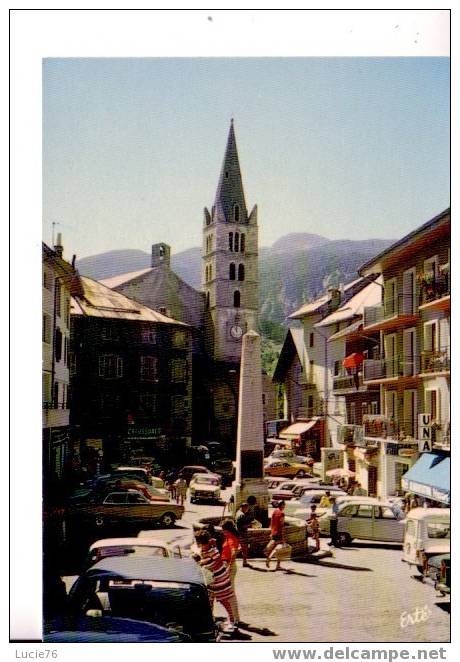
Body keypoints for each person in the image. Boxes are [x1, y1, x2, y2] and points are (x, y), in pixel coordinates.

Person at [193, 530, 239, 629]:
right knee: (209, 601)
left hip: (219, 581)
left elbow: (211, 564)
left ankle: (232, 620)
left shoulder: (213, 552)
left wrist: (199, 562)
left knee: (224, 601)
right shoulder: (206, 550)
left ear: (200, 542)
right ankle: (211, 620)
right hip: (211, 581)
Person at [264, 500, 285, 570]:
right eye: (284, 505)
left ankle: (277, 565)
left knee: (277, 548)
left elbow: (271, 523)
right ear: (282, 505)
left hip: (274, 532)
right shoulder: (282, 513)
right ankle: (269, 559)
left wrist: (271, 532)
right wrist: (283, 537)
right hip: (278, 533)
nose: (285, 506)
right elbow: (282, 525)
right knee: (279, 549)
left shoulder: (274, 512)